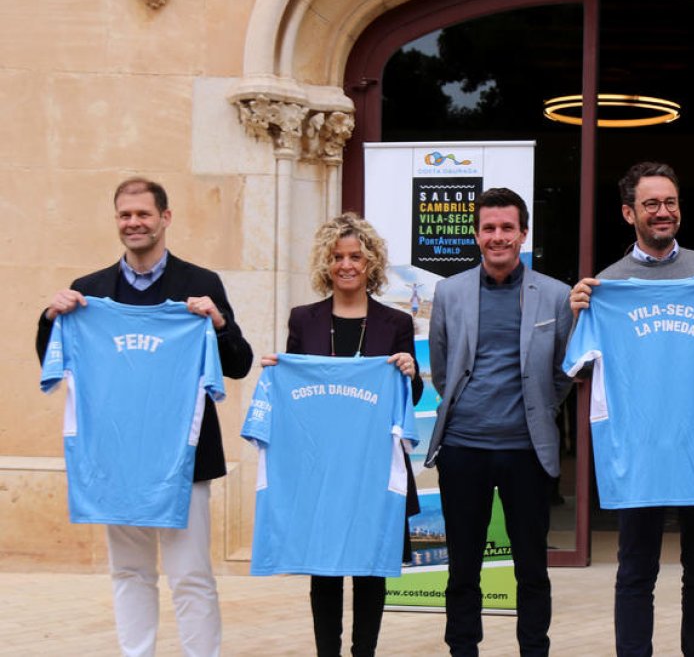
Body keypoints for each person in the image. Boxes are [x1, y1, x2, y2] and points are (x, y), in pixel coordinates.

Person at [35, 177, 253, 657]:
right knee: (129, 572)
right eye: (125, 215)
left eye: (143, 214)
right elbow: (54, 360)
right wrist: (52, 318)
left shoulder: (201, 284)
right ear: (116, 220)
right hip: (117, 458)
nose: (134, 223)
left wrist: (216, 322)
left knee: (191, 574)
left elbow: (237, 364)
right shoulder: (88, 293)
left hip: (184, 459)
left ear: (165, 218)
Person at [570, 161, 694, 657]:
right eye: (651, 204)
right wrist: (579, 313)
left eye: (670, 202)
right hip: (639, 448)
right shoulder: (608, 284)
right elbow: (581, 369)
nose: (662, 211)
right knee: (635, 571)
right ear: (629, 213)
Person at [260, 213, 423, 656]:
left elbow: (411, 395)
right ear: (325, 263)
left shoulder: (394, 324)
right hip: (321, 468)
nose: (346, 265)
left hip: (373, 467)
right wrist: (278, 374)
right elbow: (297, 394)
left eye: (356, 256)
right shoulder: (304, 320)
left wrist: (409, 372)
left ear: (371, 262)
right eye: (337, 257)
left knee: (371, 568)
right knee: (325, 568)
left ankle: (364, 653)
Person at [425, 187, 573, 657]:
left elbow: (563, 372)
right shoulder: (449, 292)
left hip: (527, 451)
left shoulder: (556, 296)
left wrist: (537, 409)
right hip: (463, 448)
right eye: (488, 228)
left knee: (531, 567)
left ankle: (534, 650)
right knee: (462, 567)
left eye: (507, 227)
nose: (498, 237)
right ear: (476, 234)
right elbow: (444, 368)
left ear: (523, 234)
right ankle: (462, 649)